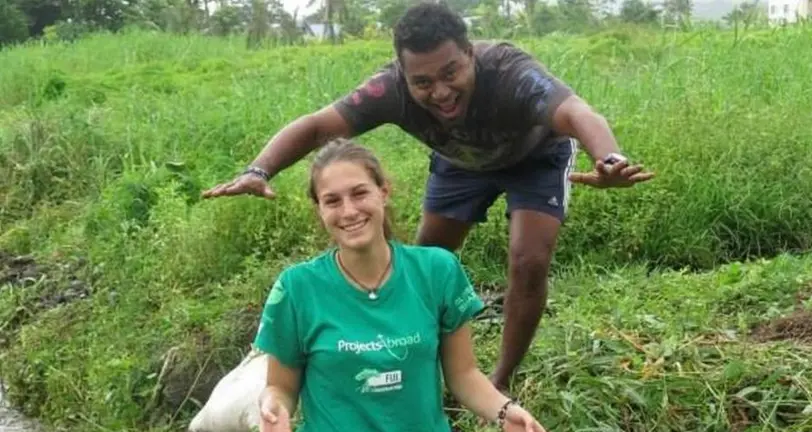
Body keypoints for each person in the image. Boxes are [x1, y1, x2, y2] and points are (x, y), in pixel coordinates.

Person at [204, 2, 654, 394]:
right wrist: (258, 169)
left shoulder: (511, 72)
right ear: (403, 74)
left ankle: (499, 380)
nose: (440, 91)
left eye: (451, 72)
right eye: (422, 82)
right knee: (423, 264)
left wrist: (609, 157)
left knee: (528, 260)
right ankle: (414, 364)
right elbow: (321, 126)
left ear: (470, 54)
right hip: (460, 163)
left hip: (535, 157)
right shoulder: (389, 90)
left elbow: (577, 112)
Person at [252, 138, 565, 432]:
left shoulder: (436, 272)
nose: (348, 211)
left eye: (359, 193)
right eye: (332, 200)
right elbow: (280, 386)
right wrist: (274, 407)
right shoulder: (298, 287)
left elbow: (463, 375)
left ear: (384, 192)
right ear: (320, 209)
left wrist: (506, 413)